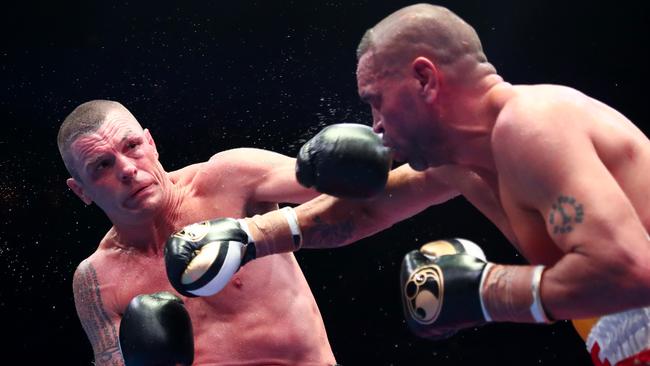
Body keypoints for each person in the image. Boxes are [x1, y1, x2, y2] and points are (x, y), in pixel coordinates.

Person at [192, 4, 650, 365]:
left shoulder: (532, 124)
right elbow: (366, 208)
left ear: (425, 79)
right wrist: (248, 237)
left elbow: (629, 273)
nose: (375, 127)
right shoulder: (463, 159)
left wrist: (489, 291)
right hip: (616, 339)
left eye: (376, 102)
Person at [58, 99, 368, 365]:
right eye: (102, 165)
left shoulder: (229, 179)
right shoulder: (97, 280)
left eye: (133, 146)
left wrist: (265, 231)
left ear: (150, 143)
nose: (126, 169)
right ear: (81, 191)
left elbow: (357, 191)